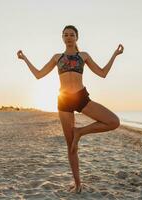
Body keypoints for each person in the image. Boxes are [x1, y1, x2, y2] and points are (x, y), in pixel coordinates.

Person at [17, 25, 124, 193]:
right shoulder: (57, 58)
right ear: (62, 38)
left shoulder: (84, 56)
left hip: (81, 97)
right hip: (64, 101)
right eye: (65, 35)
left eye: (71, 35)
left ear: (77, 37)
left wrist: (115, 55)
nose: (68, 37)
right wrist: (24, 59)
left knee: (113, 121)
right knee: (71, 147)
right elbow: (38, 74)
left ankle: (80, 131)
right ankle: (78, 184)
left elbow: (102, 73)